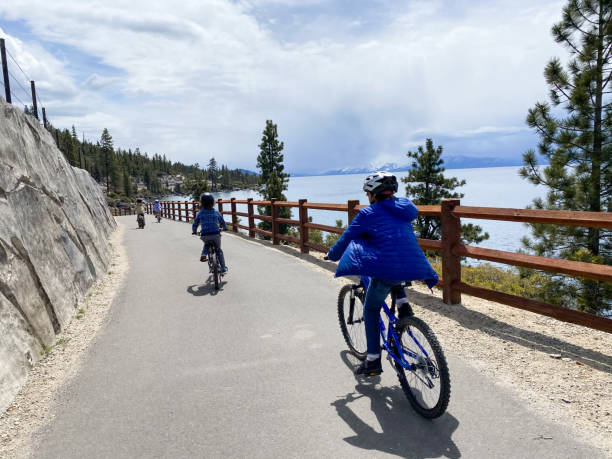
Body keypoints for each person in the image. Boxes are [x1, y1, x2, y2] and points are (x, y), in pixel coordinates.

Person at [327, 172, 438, 376]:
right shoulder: (404, 209)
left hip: (390, 269)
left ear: (372, 194)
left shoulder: (368, 214)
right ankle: (404, 308)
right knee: (395, 274)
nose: (367, 197)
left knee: (371, 309)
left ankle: (373, 360)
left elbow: (346, 238)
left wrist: (332, 255)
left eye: (367, 193)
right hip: (414, 266)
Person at [192, 192, 228, 273]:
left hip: (205, 234)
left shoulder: (200, 213)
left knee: (207, 244)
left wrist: (194, 231)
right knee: (218, 250)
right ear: (213, 202)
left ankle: (204, 254)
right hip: (215, 234)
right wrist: (225, 228)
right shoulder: (216, 212)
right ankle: (223, 268)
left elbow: (195, 223)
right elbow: (222, 221)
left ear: (201, 203)